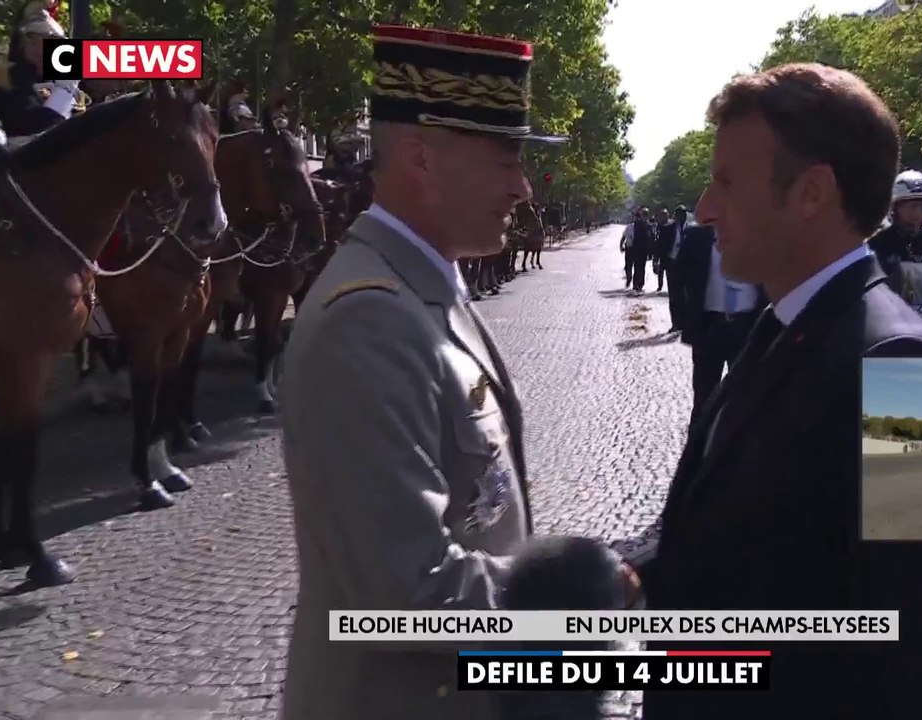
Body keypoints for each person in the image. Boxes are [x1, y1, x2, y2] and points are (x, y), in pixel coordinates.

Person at [277, 25, 628, 720]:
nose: (524, 189)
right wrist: (574, 596)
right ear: (421, 159)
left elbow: (910, 536)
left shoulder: (905, 355)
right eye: (506, 161)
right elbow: (402, 591)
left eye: (727, 180)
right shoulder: (372, 316)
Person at [633, 63, 922, 719]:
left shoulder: (903, 364)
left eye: (727, 182)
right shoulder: (782, 320)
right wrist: (630, 575)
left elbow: (912, 655)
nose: (704, 208)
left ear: (811, 192)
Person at [675, 223, 765, 422]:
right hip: (709, 327)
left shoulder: (762, 232)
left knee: (747, 399)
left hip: (748, 328)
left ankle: (739, 451)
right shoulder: (698, 237)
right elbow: (677, 276)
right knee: (704, 400)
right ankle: (699, 450)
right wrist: (683, 319)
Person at [0, 0, 83, 137]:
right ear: (26, 45)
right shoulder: (9, 80)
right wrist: (64, 91)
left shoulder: (57, 79)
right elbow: (34, 131)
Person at [868, 170, 922, 289]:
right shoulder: (877, 245)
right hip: (888, 305)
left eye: (920, 206)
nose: (915, 213)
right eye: (908, 207)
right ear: (894, 210)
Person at [664, 204, 691, 332]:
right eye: (679, 214)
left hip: (687, 266)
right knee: (674, 295)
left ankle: (685, 322)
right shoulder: (668, 229)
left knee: (686, 295)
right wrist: (658, 262)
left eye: (684, 214)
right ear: (675, 216)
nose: (682, 217)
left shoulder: (692, 229)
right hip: (672, 264)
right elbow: (661, 246)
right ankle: (675, 323)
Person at [652, 207, 673, 292]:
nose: (663, 217)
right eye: (662, 215)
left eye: (665, 215)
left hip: (668, 251)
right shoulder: (657, 225)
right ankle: (660, 285)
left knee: (669, 271)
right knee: (660, 270)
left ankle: (670, 286)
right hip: (659, 250)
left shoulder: (671, 225)